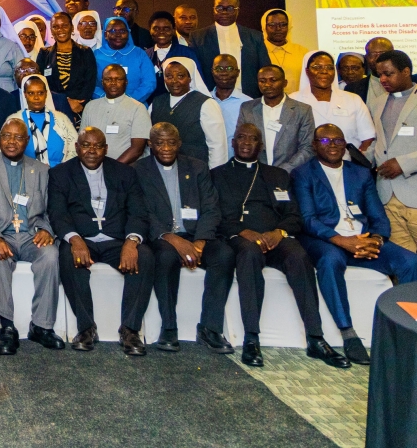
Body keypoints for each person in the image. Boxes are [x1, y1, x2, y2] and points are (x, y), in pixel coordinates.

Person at [210, 123, 349, 368]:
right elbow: (214, 216)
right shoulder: (217, 175)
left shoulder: (278, 175)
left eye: (252, 139)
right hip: (241, 239)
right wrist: (244, 231)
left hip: (276, 238)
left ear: (260, 146)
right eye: (240, 138)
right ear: (233, 142)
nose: (245, 143)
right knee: (249, 255)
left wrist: (279, 232)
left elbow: (294, 215)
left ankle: (316, 338)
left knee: (299, 256)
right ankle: (251, 338)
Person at [292, 123, 417, 364]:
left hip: (362, 240)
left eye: (338, 140)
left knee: (410, 262)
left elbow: (378, 217)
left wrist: (375, 240)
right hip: (325, 240)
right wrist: (342, 241)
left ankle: (406, 331)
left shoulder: (359, 173)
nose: (333, 145)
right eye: (326, 141)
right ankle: (348, 334)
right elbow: (307, 220)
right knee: (330, 261)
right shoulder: (303, 174)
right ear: (315, 145)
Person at [51, 127, 154, 355]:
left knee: (144, 257)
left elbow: (138, 212)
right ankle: (86, 328)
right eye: (86, 145)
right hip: (82, 238)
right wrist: (75, 239)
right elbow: (58, 214)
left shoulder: (125, 173)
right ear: (77, 148)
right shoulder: (60, 174)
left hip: (116, 240)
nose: (92, 151)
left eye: (98, 146)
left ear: (106, 149)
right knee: (68, 257)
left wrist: (131, 241)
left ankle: (130, 330)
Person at [134, 123, 235, 354]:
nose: (166, 147)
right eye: (159, 143)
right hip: (163, 237)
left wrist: (200, 241)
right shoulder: (139, 170)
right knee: (166, 258)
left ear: (179, 144)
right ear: (150, 145)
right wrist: (173, 239)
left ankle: (210, 328)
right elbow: (141, 212)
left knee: (224, 255)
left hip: (197, 234)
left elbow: (211, 208)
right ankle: (169, 327)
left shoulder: (198, 167)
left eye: (171, 142)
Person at [0, 118, 64, 353]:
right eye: (6, 136)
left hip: (31, 234)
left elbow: (51, 208)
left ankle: (41, 327)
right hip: (1, 233)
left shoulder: (42, 170)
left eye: (18, 137)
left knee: (51, 256)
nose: (11, 142)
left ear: (27, 141)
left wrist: (47, 230)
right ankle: (7, 326)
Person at [369, 50, 417, 253]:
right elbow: (379, 144)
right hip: (387, 196)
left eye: (388, 74)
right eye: (380, 75)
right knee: (405, 263)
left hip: (414, 190)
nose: (383, 79)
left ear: (406, 71)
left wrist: (403, 163)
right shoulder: (377, 102)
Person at [290, 51, 375, 154]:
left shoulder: (353, 99)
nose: (324, 71)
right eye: (317, 67)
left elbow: (368, 137)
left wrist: (356, 161)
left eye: (329, 67)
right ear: (307, 72)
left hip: (348, 164)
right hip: (307, 166)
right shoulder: (292, 100)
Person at [149, 58, 228, 168]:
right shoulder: (157, 102)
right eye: (169, 76)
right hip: (162, 169)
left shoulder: (206, 104)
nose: (174, 81)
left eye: (180, 76)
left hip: (196, 169)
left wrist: (216, 173)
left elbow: (217, 145)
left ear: (190, 78)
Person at [237, 65, 315, 173]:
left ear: (285, 83)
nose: (267, 85)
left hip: (289, 174)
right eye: (262, 81)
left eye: (273, 80)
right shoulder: (247, 108)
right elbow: (240, 141)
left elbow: (307, 147)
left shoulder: (302, 110)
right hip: (255, 174)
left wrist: (284, 170)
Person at [189, 0, 271, 97]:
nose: (224, 12)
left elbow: (265, 69)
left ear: (238, 11)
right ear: (213, 10)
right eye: (219, 8)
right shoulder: (198, 37)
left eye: (230, 8)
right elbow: (195, 71)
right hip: (211, 97)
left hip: (249, 97)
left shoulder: (254, 36)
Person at [80, 65, 151, 164]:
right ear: (102, 83)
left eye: (118, 79)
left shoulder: (138, 108)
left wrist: (114, 170)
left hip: (127, 169)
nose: (113, 83)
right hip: (94, 169)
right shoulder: (90, 106)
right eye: (108, 79)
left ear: (126, 82)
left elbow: (137, 149)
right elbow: (82, 142)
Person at [37, 12, 96, 115]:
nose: (60, 30)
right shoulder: (44, 54)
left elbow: (89, 83)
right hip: (53, 110)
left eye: (65, 25)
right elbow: (41, 84)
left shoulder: (85, 52)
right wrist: (65, 102)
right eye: (56, 27)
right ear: (51, 30)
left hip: (79, 110)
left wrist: (77, 104)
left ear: (72, 28)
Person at [18, 75, 78, 167]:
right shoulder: (17, 119)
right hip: (27, 173)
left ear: (46, 93)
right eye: (31, 93)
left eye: (40, 93)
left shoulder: (61, 118)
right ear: (25, 94)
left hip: (59, 173)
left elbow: (74, 147)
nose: (36, 97)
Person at [91, 17, 154, 103]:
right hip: (104, 105)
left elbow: (149, 83)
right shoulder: (96, 55)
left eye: (122, 31)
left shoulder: (140, 54)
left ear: (128, 33)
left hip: (135, 105)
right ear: (105, 35)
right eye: (113, 31)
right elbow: (90, 84)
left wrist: (129, 101)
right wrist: (106, 99)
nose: (118, 34)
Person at [145, 11, 200, 101]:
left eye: (166, 28)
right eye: (156, 28)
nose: (161, 32)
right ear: (150, 30)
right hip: (151, 106)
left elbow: (196, 82)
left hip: (181, 104)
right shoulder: (145, 55)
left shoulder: (187, 53)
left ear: (173, 30)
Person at [14, 57, 75, 124]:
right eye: (21, 70)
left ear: (40, 74)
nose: (26, 74)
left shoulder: (59, 99)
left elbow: (70, 129)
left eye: (32, 69)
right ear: (14, 76)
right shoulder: (9, 99)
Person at [261, 9, 307, 95]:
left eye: (283, 25)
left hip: (297, 104)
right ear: (264, 27)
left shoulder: (302, 52)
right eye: (272, 25)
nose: (278, 29)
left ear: (288, 27)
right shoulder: (258, 50)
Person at [210, 55, 252, 146]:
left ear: (237, 72)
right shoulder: (203, 100)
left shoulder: (248, 104)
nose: (224, 73)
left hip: (236, 158)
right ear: (212, 72)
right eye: (219, 68)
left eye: (229, 68)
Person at [350, 36, 392, 104]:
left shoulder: (409, 83)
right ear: (366, 58)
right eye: (373, 54)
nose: (378, 58)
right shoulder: (353, 88)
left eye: (383, 54)